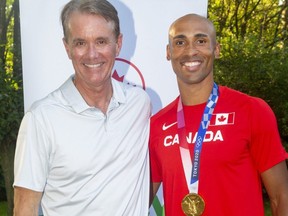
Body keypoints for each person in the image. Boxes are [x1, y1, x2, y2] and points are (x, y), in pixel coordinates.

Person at [13, 0, 151, 215]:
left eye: (101, 41)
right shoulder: (41, 118)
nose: (92, 54)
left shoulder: (139, 103)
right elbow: (25, 207)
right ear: (67, 48)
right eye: (80, 43)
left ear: (119, 43)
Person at [149, 13, 288, 216]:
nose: (190, 50)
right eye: (180, 42)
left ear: (216, 49)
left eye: (201, 40)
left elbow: (281, 196)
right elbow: (137, 200)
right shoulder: (157, 125)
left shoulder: (251, 110)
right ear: (169, 52)